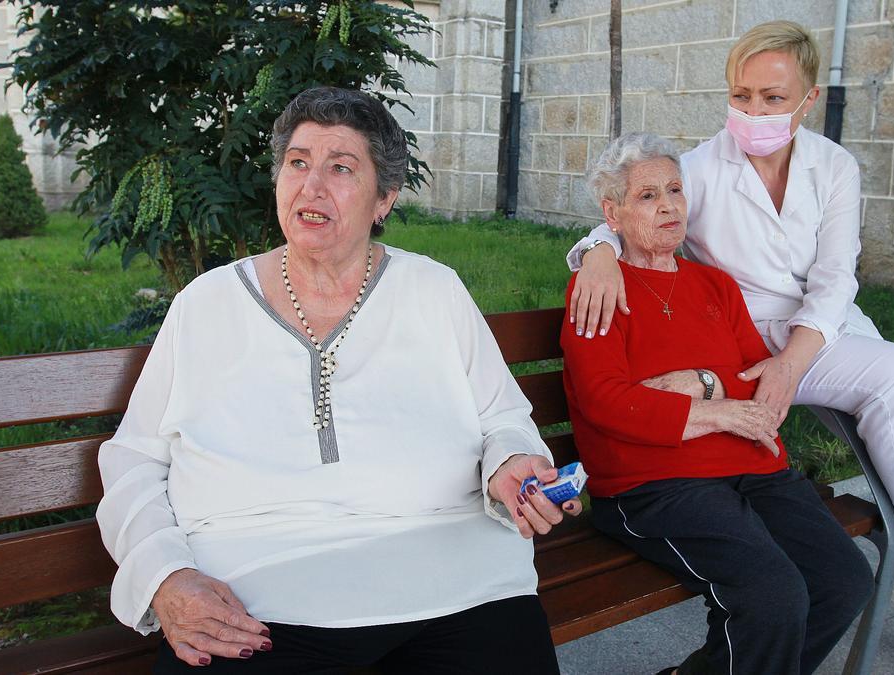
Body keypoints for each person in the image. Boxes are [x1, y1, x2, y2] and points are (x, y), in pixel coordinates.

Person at [565, 20, 894, 674]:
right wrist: (597, 255)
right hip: (685, 439)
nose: (752, 111)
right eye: (740, 94)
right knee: (775, 593)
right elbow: (622, 218)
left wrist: (724, 383)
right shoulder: (678, 195)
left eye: (772, 98)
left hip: (797, 349)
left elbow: (834, 279)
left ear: (807, 100)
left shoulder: (822, 177)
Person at [96, 86, 582, 673]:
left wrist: (510, 466)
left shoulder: (432, 290)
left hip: (455, 581)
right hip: (253, 597)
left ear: (384, 199)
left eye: (341, 168)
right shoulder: (206, 305)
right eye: (297, 163)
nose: (312, 185)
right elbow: (135, 462)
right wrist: (166, 577)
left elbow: (502, 419)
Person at [562, 131, 873, 675]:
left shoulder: (716, 287)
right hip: (655, 485)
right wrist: (721, 412)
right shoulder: (599, 290)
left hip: (753, 471)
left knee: (843, 581)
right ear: (611, 213)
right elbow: (605, 402)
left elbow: (763, 379)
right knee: (772, 597)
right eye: (647, 196)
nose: (668, 206)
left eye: (676, 190)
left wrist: (704, 383)